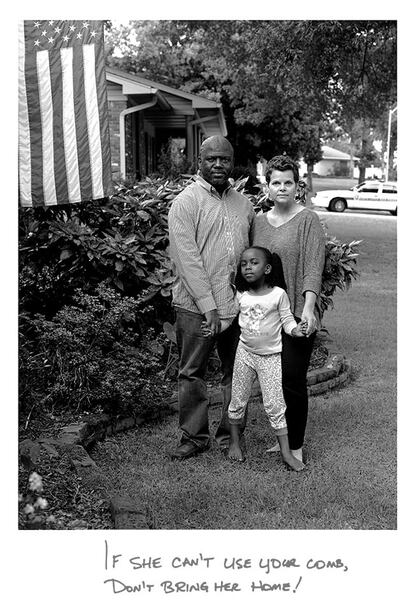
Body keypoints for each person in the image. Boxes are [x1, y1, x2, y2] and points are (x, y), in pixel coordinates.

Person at [168, 135, 256, 460]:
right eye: (211, 159)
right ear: (199, 162)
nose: (218, 164)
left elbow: (252, 257)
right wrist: (209, 307)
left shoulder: (244, 205)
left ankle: (229, 435)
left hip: (235, 306)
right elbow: (187, 260)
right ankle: (194, 436)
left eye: (224, 159)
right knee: (192, 372)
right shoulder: (186, 202)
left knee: (238, 372)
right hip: (195, 308)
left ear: (232, 163)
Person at [253, 155, 326, 463]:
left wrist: (309, 308)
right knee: (273, 379)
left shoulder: (307, 219)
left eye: (288, 182)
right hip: (267, 315)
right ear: (267, 187)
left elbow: (313, 266)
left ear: (297, 186)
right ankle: (282, 438)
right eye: (276, 182)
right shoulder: (258, 222)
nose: (282, 188)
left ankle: (295, 445)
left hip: (297, 312)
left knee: (293, 378)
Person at [223, 246, 306, 472]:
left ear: (267, 268)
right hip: (245, 355)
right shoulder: (242, 296)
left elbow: (287, 319)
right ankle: (234, 442)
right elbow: (230, 318)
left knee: (274, 404)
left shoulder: (278, 294)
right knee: (238, 399)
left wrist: (295, 330)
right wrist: (215, 326)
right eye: (244, 263)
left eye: (254, 262)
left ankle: (287, 453)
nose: (248, 267)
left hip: (270, 358)